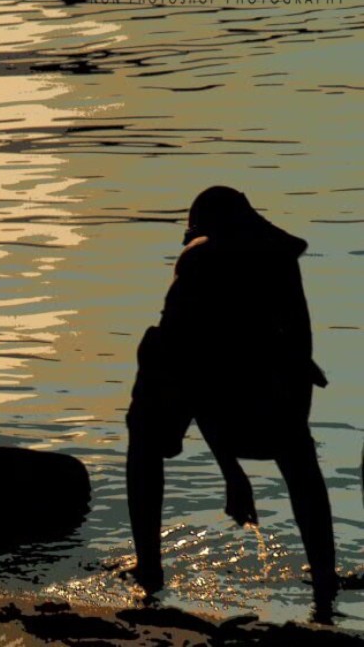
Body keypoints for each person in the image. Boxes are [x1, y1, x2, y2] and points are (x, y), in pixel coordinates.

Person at [126, 185, 336, 611]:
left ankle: (148, 569)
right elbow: (292, 353)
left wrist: (232, 473)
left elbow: (196, 371)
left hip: (246, 388)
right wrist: (248, 460)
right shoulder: (279, 261)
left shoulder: (200, 264)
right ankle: (326, 580)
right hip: (253, 390)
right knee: (300, 458)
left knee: (146, 428)